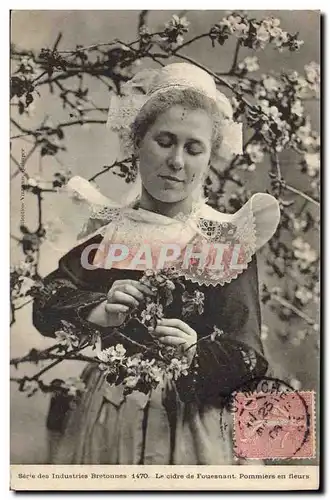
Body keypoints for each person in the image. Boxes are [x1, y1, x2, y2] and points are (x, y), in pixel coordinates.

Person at [32, 62, 280, 465]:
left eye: (193, 147)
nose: (177, 161)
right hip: (108, 418)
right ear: (137, 142)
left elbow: (249, 357)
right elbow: (44, 301)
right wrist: (98, 310)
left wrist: (194, 351)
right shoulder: (111, 232)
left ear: (209, 156)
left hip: (193, 430)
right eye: (164, 141)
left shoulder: (225, 240)